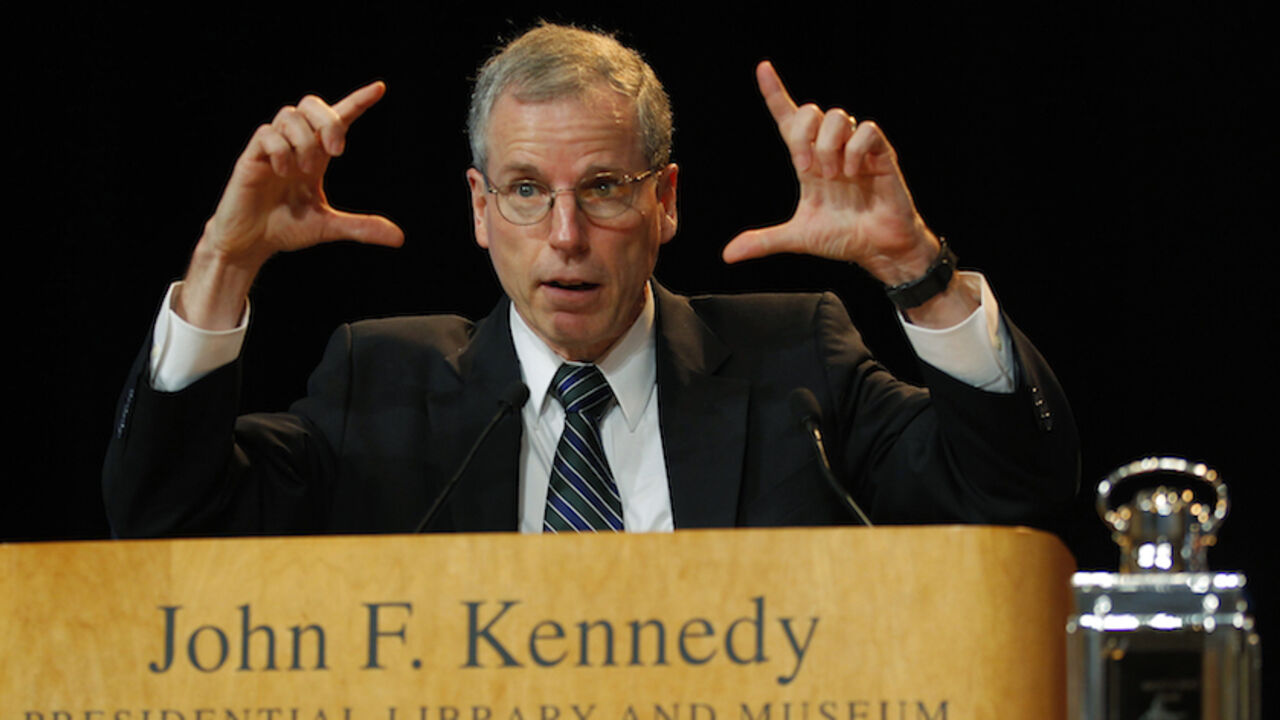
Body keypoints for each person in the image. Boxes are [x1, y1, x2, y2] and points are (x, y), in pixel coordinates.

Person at [104, 23, 1078, 537]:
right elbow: (163, 516)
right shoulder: (380, 381)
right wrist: (223, 265)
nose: (564, 235)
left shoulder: (796, 364)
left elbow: (1016, 490)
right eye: (526, 191)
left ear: (666, 203)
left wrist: (915, 271)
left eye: (604, 188)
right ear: (480, 210)